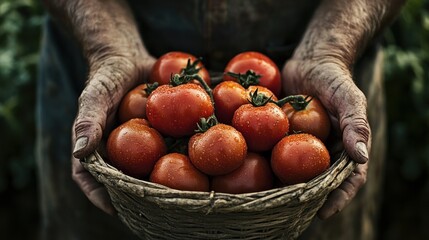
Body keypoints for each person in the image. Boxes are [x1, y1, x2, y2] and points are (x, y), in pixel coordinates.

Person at [37, 0, 405, 239]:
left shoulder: (245, 114)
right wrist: (107, 47)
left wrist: (331, 48)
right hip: (101, 53)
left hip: (329, 51)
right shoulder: (167, 119)